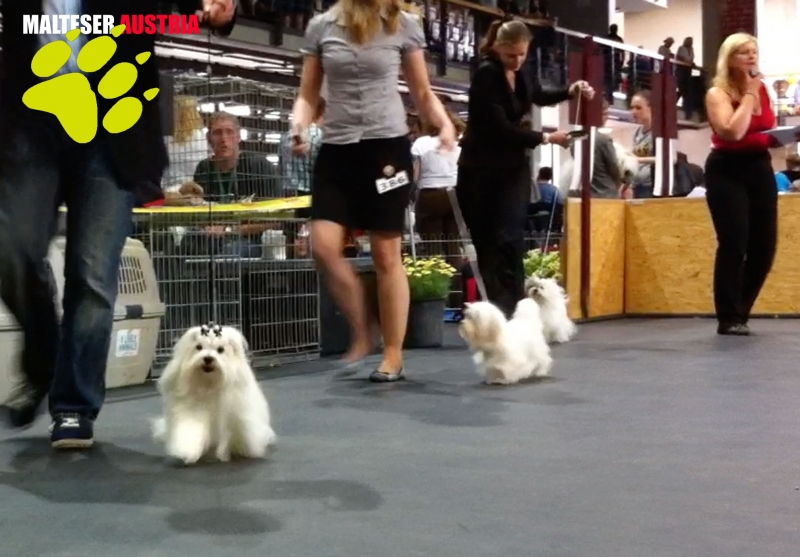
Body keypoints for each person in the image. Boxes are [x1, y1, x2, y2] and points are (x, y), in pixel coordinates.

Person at [0, 0, 236, 448]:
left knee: (92, 274)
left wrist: (209, 8)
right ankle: (44, 358)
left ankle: (73, 405)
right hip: (34, 126)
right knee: (10, 247)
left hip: (112, 126)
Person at [291, 0, 455, 382]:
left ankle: (393, 353)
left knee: (385, 253)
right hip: (337, 150)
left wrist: (444, 124)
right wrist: (298, 126)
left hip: (386, 151)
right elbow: (307, 95)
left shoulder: (403, 24)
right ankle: (363, 327)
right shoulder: (322, 26)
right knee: (323, 246)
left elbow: (422, 92)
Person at [456, 19, 593, 318]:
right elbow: (499, 128)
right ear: (497, 47)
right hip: (480, 172)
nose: (517, 60)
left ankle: (517, 311)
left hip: (513, 169)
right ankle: (497, 313)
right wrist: (547, 138)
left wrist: (570, 91)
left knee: (512, 239)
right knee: (489, 245)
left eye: (522, 54)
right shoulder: (486, 75)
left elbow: (538, 94)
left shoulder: (523, 72)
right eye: (510, 55)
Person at [704, 32, 777, 336]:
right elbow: (732, 132)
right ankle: (728, 316)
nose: (751, 57)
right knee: (734, 242)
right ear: (729, 58)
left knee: (764, 247)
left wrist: (782, 137)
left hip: (759, 167)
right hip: (727, 169)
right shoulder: (718, 93)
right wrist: (748, 94)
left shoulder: (763, 91)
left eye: (754, 51)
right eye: (744, 52)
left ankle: (740, 311)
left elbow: (765, 128)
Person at [412, 111, 464, 264]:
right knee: (453, 243)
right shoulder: (458, 142)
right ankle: (456, 276)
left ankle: (437, 276)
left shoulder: (421, 143)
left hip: (430, 194)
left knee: (432, 243)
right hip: (456, 193)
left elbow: (415, 174)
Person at [630, 90, 655, 198]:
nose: (634, 112)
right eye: (632, 107)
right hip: (637, 185)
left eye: (638, 108)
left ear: (651, 108)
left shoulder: (659, 132)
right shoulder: (637, 132)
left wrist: (639, 159)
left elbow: (671, 159)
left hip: (651, 186)